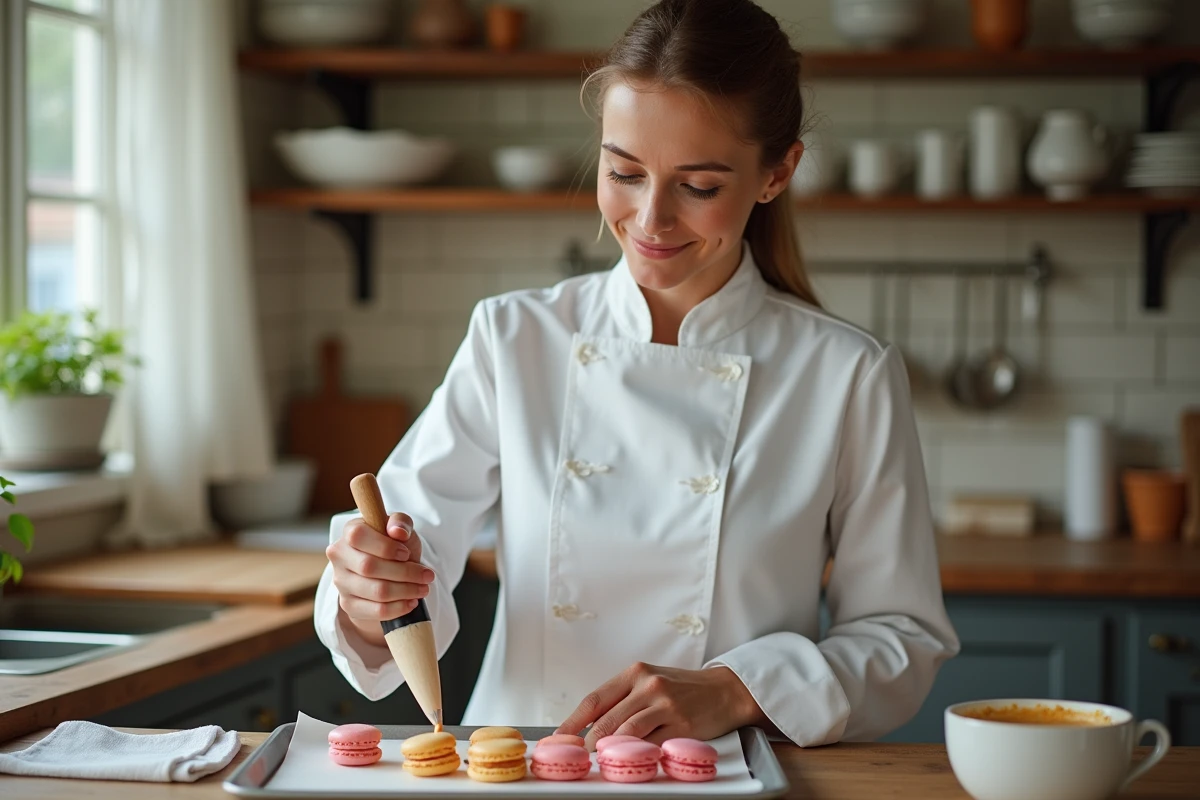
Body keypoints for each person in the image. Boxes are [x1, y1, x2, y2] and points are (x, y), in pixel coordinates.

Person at [315, 0, 959, 747]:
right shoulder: (514, 338)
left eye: (699, 186)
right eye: (623, 172)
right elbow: (409, 535)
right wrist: (371, 589)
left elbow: (900, 636)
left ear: (777, 172)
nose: (651, 220)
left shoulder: (846, 373)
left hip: (720, 771)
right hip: (524, 763)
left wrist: (738, 689)